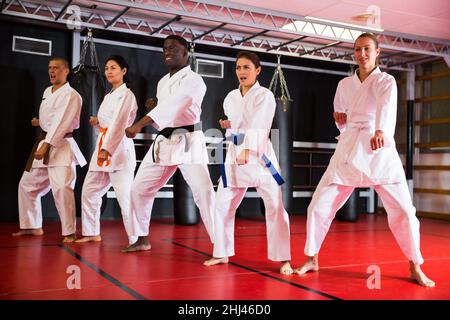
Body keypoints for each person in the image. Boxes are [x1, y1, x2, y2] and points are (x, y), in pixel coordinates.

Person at [294, 33, 435, 287]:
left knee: (404, 211)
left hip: (376, 147)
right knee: (317, 207)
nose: (362, 54)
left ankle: (415, 265)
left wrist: (381, 130)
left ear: (377, 52)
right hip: (349, 150)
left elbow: (386, 107)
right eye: (357, 49)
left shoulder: (386, 81)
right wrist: (340, 120)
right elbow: (342, 118)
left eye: (367, 49)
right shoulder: (345, 84)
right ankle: (312, 258)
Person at [121, 35, 215, 252]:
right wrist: (155, 105)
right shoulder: (163, 81)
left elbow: (176, 105)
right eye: (164, 48)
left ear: (186, 53)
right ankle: (142, 238)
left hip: (189, 141)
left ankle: (220, 245)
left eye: (173, 48)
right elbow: (165, 109)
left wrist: (139, 124)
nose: (167, 52)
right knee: (139, 188)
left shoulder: (194, 80)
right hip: (165, 140)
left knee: (204, 193)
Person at [203, 51, 293, 275]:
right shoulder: (231, 97)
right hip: (234, 156)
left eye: (246, 68)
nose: (241, 72)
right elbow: (237, 126)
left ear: (257, 70)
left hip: (260, 158)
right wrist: (228, 125)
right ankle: (222, 252)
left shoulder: (265, 96)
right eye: (238, 68)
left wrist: (248, 150)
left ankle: (284, 259)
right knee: (222, 205)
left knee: (275, 208)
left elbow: (260, 126)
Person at [13, 57, 86, 242]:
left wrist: (46, 144)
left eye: (56, 68)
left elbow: (63, 122)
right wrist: (41, 122)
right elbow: (52, 116)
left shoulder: (71, 95)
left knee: (62, 188)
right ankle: (31, 226)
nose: (51, 71)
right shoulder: (48, 91)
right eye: (49, 68)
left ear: (66, 71)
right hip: (45, 141)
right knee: (27, 185)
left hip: (61, 146)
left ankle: (69, 232)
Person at [75, 55, 138, 245]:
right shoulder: (109, 95)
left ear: (123, 71)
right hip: (103, 146)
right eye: (106, 68)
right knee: (89, 192)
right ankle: (91, 232)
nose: (108, 71)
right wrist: (97, 123)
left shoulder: (127, 95)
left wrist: (107, 149)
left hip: (118, 150)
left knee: (125, 197)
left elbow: (119, 124)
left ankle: (136, 238)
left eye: (113, 68)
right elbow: (107, 124)